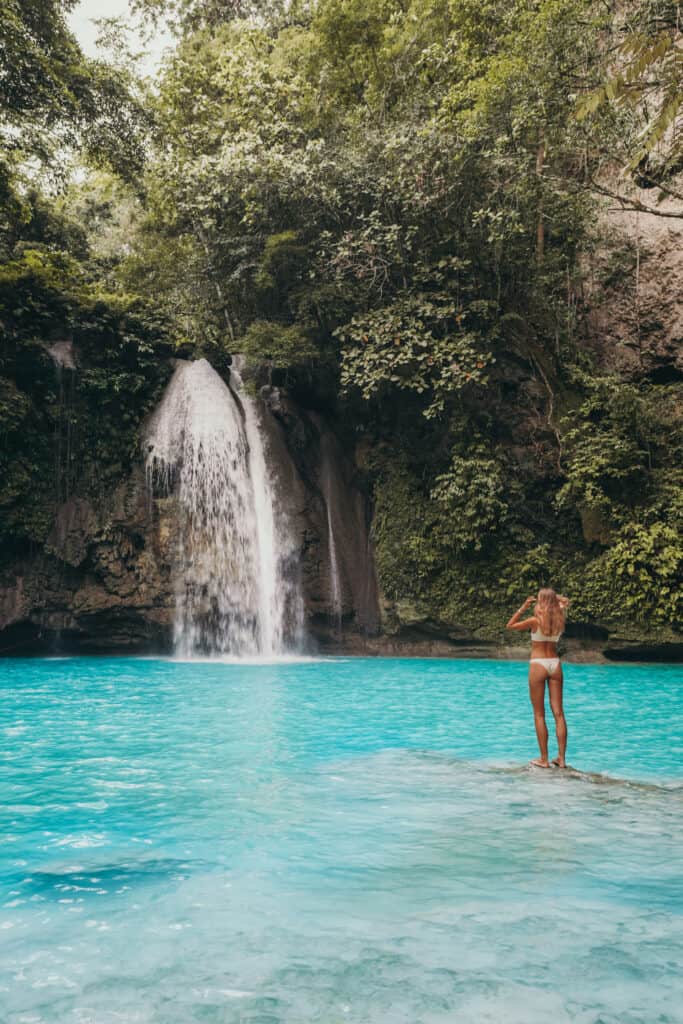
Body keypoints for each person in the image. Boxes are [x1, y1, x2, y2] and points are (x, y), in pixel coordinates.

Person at [506, 588, 571, 768]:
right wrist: (553, 599)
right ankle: (562, 759)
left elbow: (510, 625)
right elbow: (565, 602)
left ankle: (544, 759)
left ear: (540, 602)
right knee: (559, 713)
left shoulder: (535, 621)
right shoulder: (559, 619)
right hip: (555, 664)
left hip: (538, 664)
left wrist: (523, 606)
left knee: (539, 714)